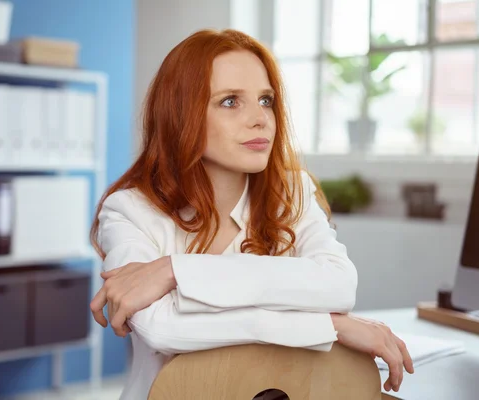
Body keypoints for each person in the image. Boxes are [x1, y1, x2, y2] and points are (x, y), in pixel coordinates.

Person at [89, 29, 413, 400]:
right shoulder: (129, 210)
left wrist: (175, 270)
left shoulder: (291, 193)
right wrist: (329, 326)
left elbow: (338, 285)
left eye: (265, 100)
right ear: (180, 114)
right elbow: (163, 330)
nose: (260, 119)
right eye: (230, 102)